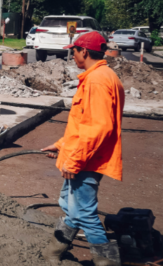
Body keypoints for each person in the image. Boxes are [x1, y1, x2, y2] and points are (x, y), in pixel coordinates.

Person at [40, 31, 124, 266]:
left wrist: (74, 160)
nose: (73, 55)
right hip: (84, 154)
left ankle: (106, 262)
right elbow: (83, 124)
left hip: (88, 159)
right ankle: (53, 252)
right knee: (69, 204)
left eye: (74, 51)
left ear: (84, 51)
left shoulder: (98, 80)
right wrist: (61, 145)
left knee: (84, 212)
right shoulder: (100, 76)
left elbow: (98, 127)